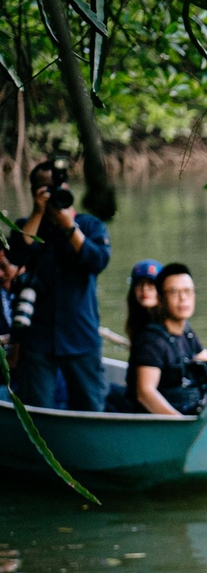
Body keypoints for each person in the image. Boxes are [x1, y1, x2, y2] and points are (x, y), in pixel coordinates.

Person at [10, 158, 112, 411]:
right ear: (34, 191)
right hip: (38, 337)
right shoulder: (27, 226)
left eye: (57, 186)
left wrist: (69, 227)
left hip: (80, 334)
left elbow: (98, 261)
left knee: (91, 407)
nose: (53, 192)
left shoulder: (89, 225)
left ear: (67, 187)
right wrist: (37, 213)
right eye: (43, 187)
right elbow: (17, 255)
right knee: (38, 410)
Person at [129, 263, 207, 417]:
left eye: (188, 291)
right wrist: (181, 424)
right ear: (160, 299)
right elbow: (145, 393)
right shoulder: (151, 340)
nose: (183, 298)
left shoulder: (186, 332)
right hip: (166, 427)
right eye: (174, 292)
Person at [125, 259, 163, 342]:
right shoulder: (137, 323)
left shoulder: (174, 323)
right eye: (139, 284)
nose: (144, 288)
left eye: (151, 283)